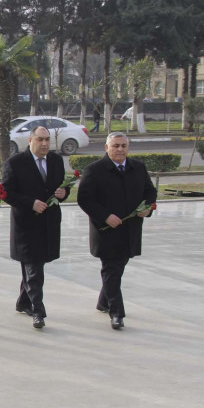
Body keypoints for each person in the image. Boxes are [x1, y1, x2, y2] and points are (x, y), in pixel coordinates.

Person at [77, 132, 157, 330]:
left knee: (118, 268)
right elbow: (85, 199)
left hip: (130, 230)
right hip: (106, 231)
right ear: (107, 148)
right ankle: (117, 313)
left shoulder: (138, 167)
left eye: (123, 146)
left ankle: (103, 301)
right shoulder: (94, 170)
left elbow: (150, 192)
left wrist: (146, 208)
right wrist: (105, 216)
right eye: (116, 146)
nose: (120, 149)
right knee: (111, 270)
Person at [1, 126, 68, 329]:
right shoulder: (15, 163)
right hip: (26, 226)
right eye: (40, 139)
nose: (45, 144)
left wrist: (63, 193)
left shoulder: (56, 161)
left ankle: (24, 301)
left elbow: (62, 187)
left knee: (35, 266)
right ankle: (38, 310)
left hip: (49, 224)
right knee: (33, 268)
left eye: (47, 139)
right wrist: (30, 203)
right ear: (30, 140)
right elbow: (6, 193)